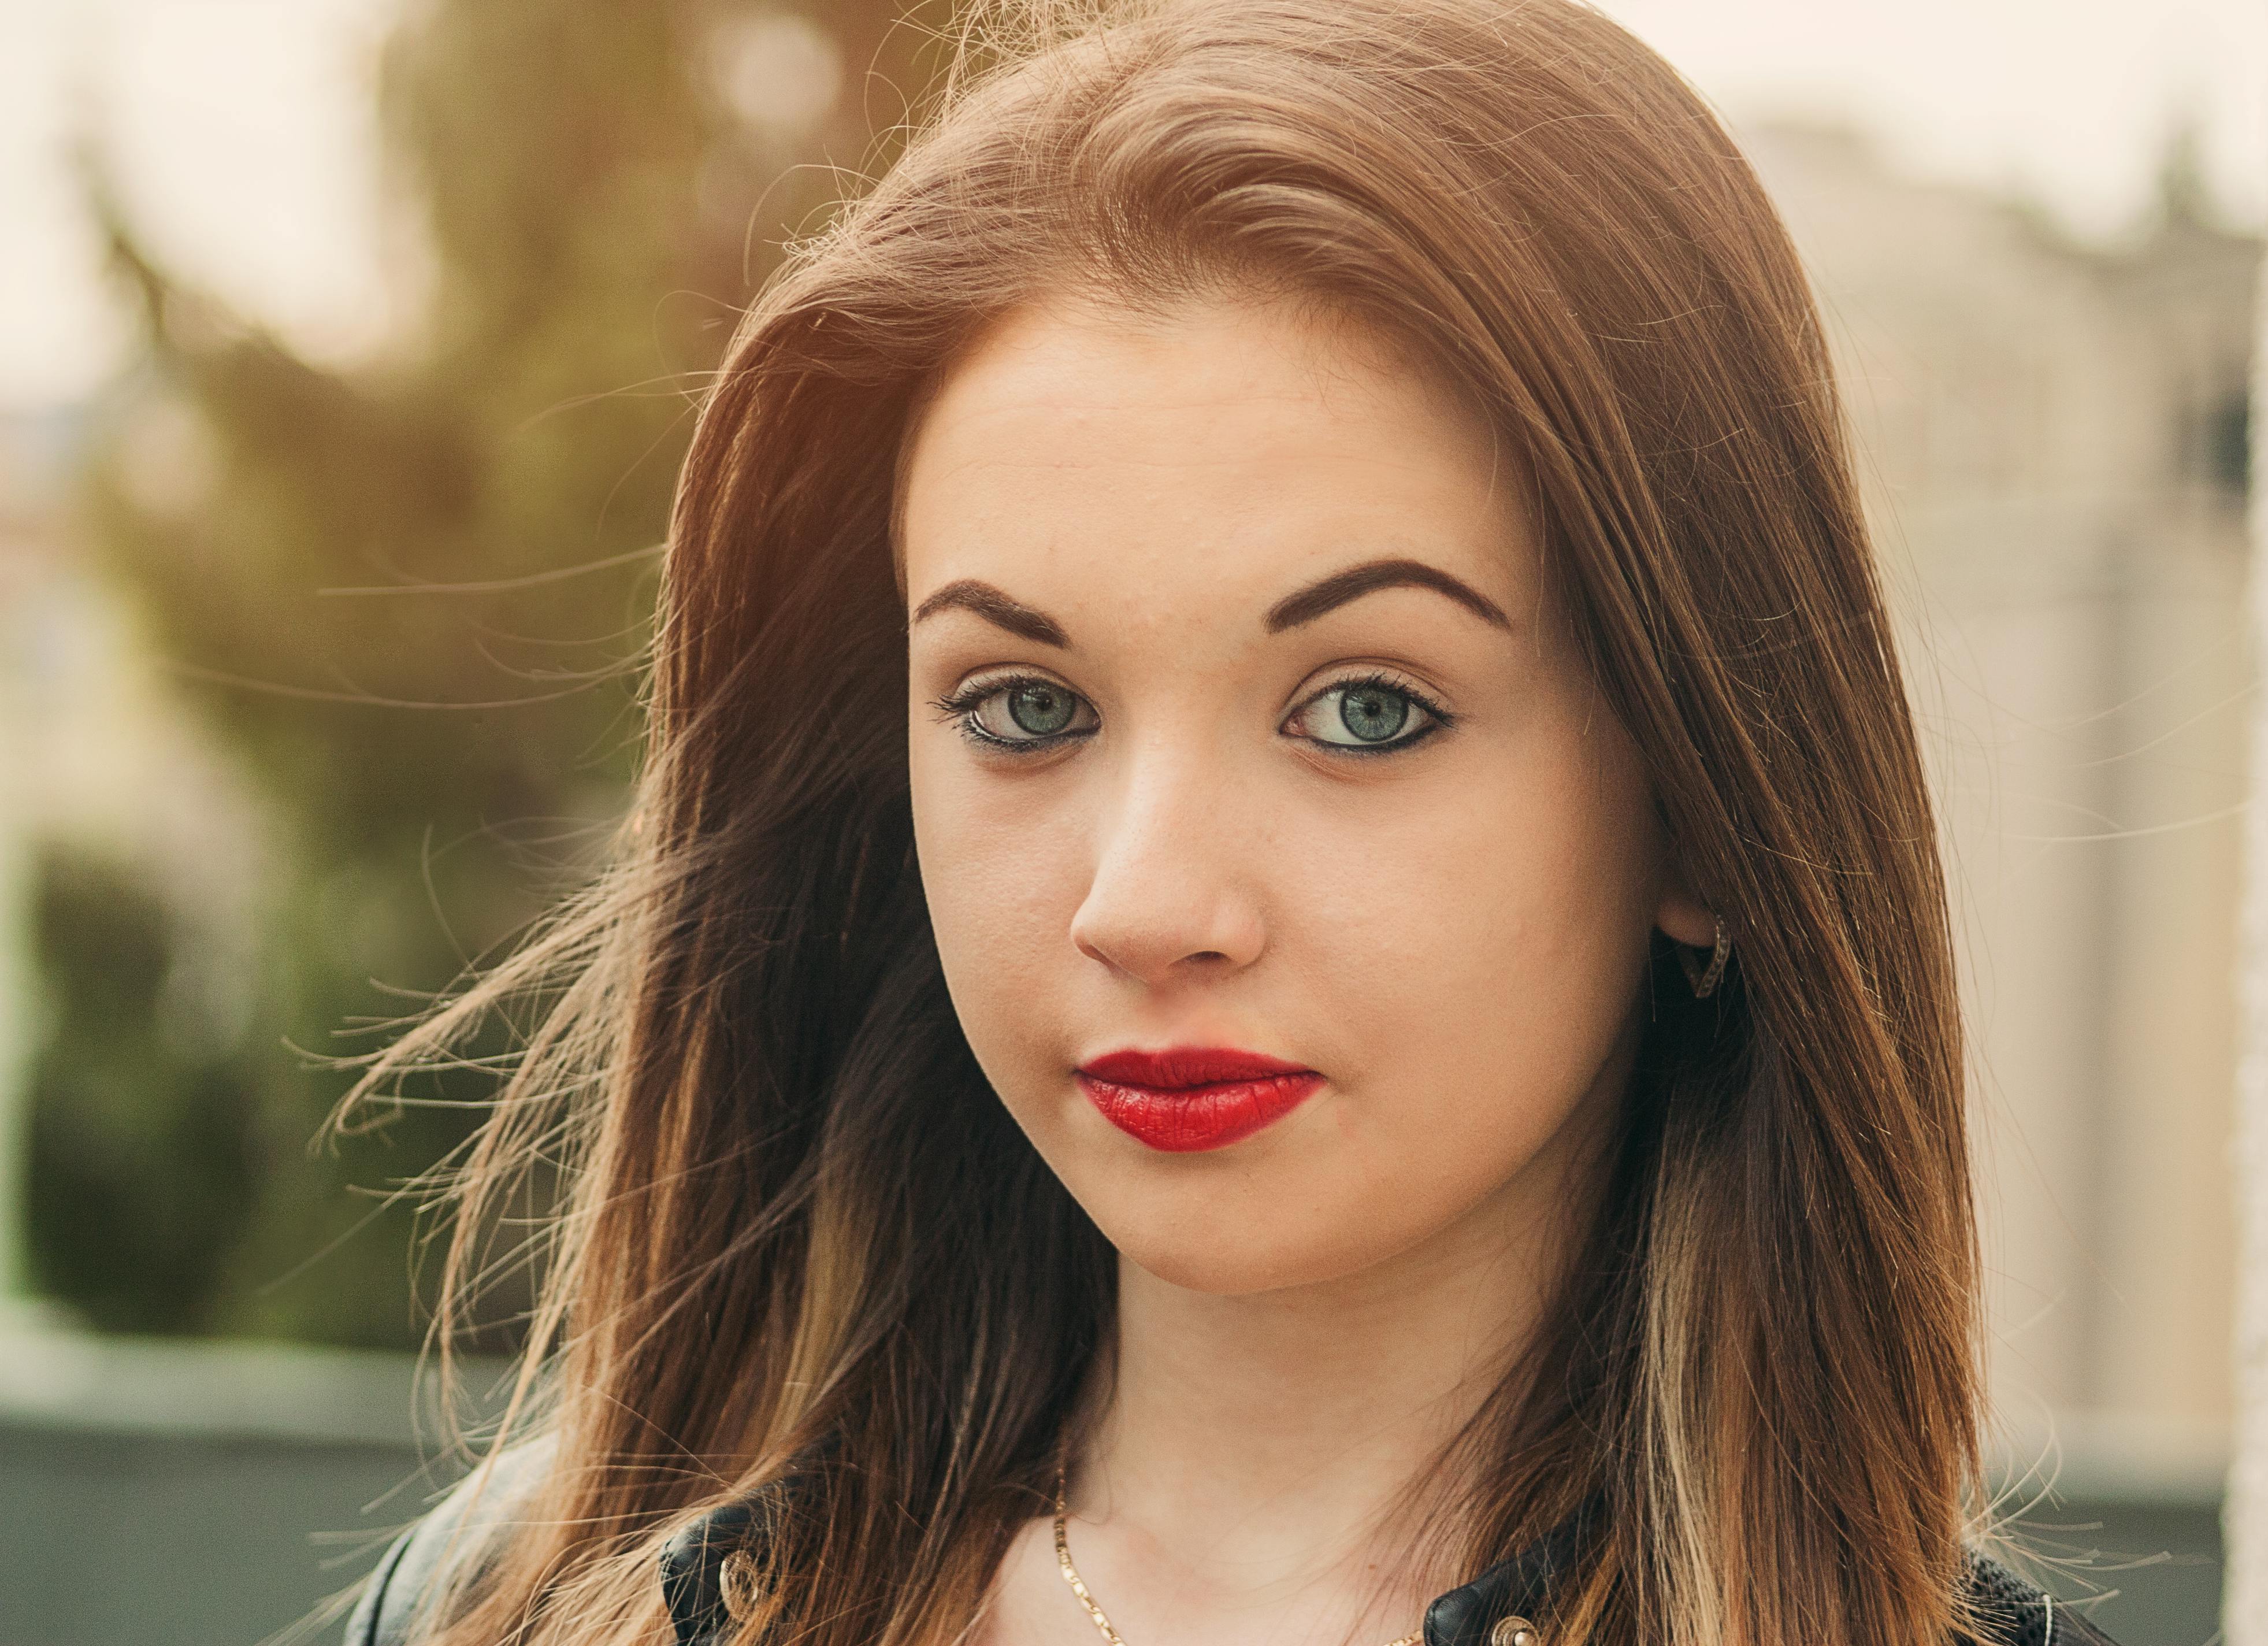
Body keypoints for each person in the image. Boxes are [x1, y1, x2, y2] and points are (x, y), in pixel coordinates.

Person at [339, 1, 2118, 1643]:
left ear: (1708, 809)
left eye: (1366, 710)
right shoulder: (512, 1612)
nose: (1144, 899)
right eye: (1024, 709)